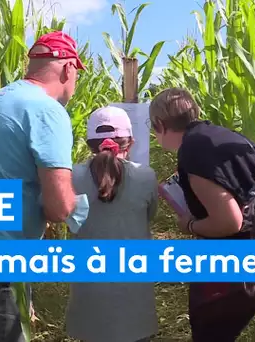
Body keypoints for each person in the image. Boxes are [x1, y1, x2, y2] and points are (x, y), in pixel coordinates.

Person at [0, 31, 89, 342]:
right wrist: (83, 209)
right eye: (76, 73)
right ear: (67, 69)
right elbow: (59, 206)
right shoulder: (48, 111)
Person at [149, 87, 255, 342]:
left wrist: (190, 225)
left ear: (160, 124)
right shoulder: (222, 135)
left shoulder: (193, 149)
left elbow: (229, 221)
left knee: (209, 327)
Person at [65, 106, 159, 342]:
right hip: (134, 296)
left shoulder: (72, 177)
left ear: (89, 144)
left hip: (89, 297)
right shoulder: (146, 176)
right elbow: (149, 216)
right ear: (131, 143)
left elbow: (71, 222)